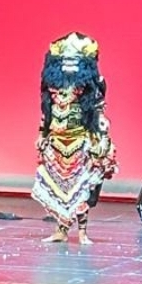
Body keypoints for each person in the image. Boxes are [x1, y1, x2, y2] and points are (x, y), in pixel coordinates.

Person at [32, 30, 118, 244]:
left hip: (80, 143)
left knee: (81, 189)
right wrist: (42, 134)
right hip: (55, 144)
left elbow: (97, 113)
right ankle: (61, 230)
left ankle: (82, 232)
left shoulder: (92, 85)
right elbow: (46, 113)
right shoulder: (52, 86)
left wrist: (101, 140)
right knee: (58, 189)